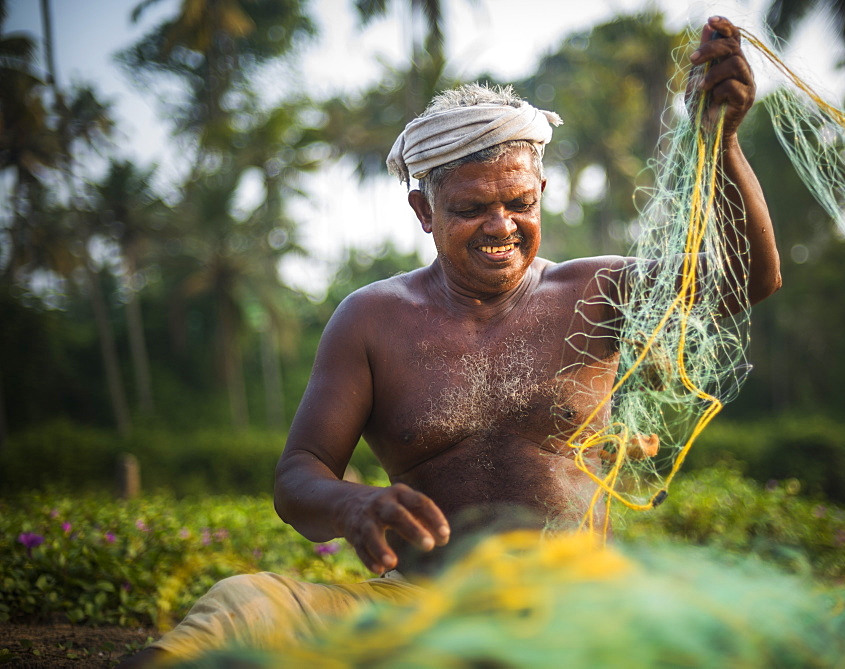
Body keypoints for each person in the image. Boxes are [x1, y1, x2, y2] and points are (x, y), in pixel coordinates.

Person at [121, 15, 780, 667]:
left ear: (542, 191)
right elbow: (298, 476)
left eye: (520, 203)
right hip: (418, 606)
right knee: (246, 604)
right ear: (423, 211)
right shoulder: (371, 319)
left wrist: (720, 142)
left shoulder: (596, 291)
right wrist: (355, 503)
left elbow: (747, 279)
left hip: (580, 606)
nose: (502, 226)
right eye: (471, 209)